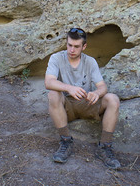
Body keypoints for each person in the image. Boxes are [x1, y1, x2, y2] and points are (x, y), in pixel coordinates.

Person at [45, 28, 121, 170]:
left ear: (84, 46)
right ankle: (66, 141)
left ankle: (104, 147)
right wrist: (69, 88)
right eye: (69, 45)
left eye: (76, 46)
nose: (72, 50)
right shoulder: (56, 58)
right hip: (67, 106)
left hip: (87, 104)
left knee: (113, 99)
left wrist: (97, 93)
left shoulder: (90, 62)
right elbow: (48, 82)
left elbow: (102, 86)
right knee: (53, 95)